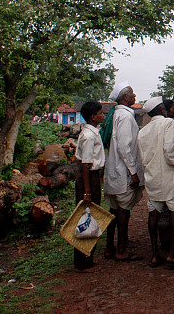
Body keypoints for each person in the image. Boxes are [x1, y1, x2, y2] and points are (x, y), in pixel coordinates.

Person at [138, 97, 174, 269]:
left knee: (153, 212)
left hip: (151, 176)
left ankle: (154, 255)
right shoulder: (168, 123)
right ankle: (173, 254)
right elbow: (169, 150)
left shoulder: (143, 131)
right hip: (167, 174)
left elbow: (142, 157)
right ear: (161, 109)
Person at [103, 81, 144, 262]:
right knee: (123, 211)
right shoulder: (125, 116)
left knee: (114, 209)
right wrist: (133, 172)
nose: (135, 96)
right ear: (126, 97)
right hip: (123, 171)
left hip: (115, 169)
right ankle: (121, 250)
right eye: (132, 94)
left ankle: (110, 247)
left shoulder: (116, 114)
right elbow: (124, 147)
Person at [74, 101, 106, 272]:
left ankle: (87, 258)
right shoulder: (88, 136)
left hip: (92, 177)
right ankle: (82, 262)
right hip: (88, 178)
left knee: (90, 217)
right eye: (100, 113)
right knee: (85, 218)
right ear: (93, 116)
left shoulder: (93, 132)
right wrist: (87, 191)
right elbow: (86, 164)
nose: (103, 115)